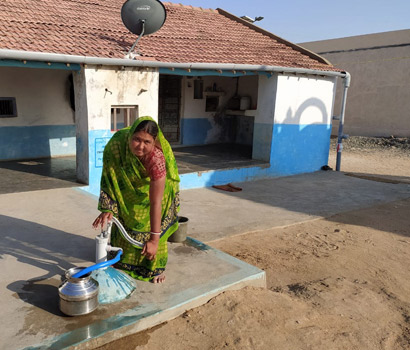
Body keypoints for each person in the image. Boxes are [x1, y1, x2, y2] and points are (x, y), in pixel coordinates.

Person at [92, 116, 180, 284]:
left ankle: (154, 268)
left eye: (147, 142)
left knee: (150, 226)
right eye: (136, 140)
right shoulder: (117, 145)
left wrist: (154, 240)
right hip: (126, 191)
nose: (140, 146)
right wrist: (108, 207)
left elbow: (156, 202)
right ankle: (122, 261)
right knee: (126, 219)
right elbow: (110, 177)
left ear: (154, 142)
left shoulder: (157, 160)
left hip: (156, 193)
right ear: (130, 136)